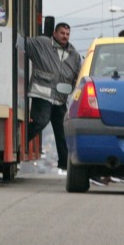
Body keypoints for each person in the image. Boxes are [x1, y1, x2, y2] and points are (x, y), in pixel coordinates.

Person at [25, 22, 82, 178]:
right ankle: (21, 143)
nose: (65, 36)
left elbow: (78, 75)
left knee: (63, 130)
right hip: (42, 94)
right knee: (40, 121)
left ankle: (64, 162)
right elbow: (21, 43)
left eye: (67, 34)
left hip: (60, 99)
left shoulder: (74, 55)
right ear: (55, 33)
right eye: (62, 33)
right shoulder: (41, 43)